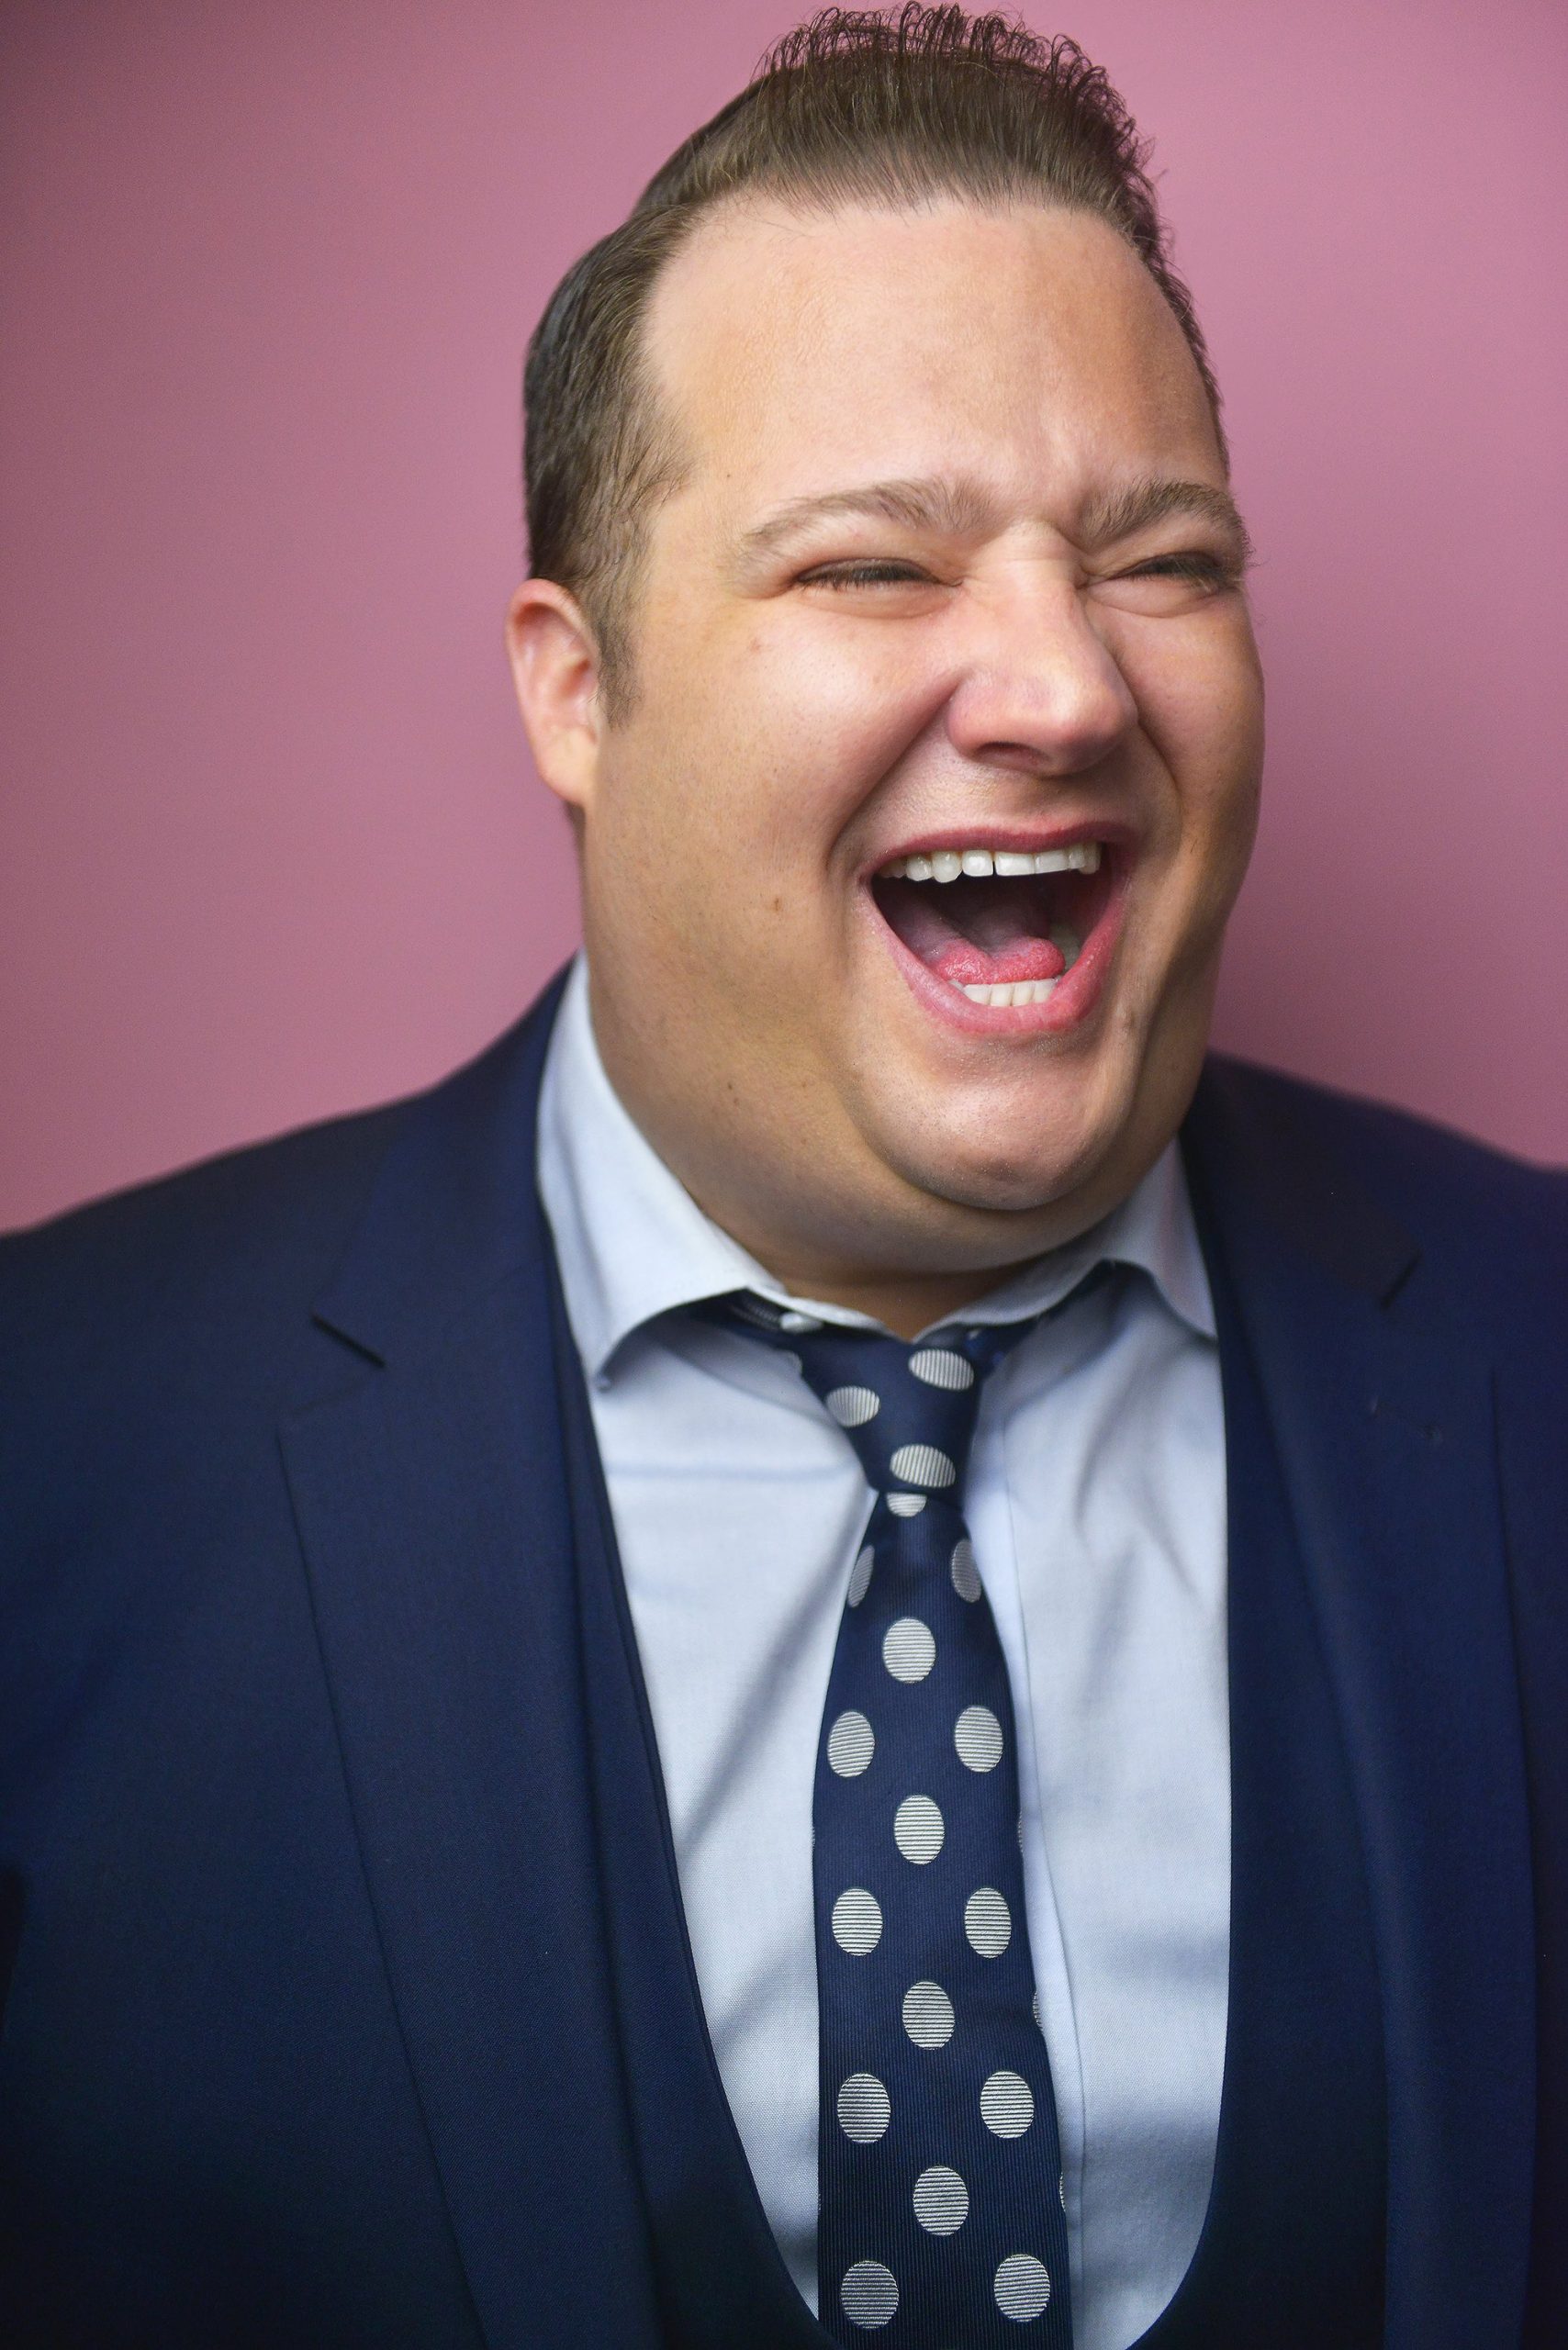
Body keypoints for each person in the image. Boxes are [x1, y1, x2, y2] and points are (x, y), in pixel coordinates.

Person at [1, 8, 1562, 2346]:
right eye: (870, 566)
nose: (1062, 686)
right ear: (577, 688)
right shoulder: (51, 1443)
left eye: (1159, 558)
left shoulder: (1541, 1352)